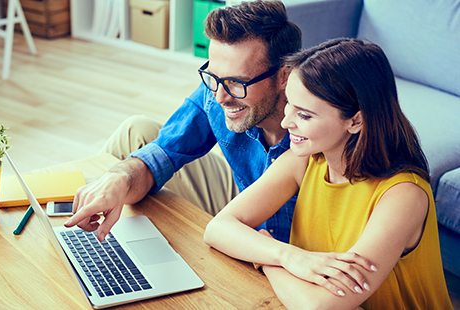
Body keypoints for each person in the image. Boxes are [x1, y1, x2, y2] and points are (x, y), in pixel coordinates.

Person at [203, 38, 453, 309]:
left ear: (355, 120)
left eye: (305, 115)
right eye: (289, 104)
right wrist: (287, 256)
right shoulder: (306, 162)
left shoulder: (403, 196)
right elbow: (218, 228)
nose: (287, 122)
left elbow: (320, 306)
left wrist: (265, 257)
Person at [65, 0, 302, 243]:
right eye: (213, 77)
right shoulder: (217, 92)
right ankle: (90, 226)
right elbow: (165, 151)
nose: (220, 97)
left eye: (237, 83)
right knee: (137, 131)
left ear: (284, 76)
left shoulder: (318, 122)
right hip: (241, 194)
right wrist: (120, 179)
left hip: (297, 237)